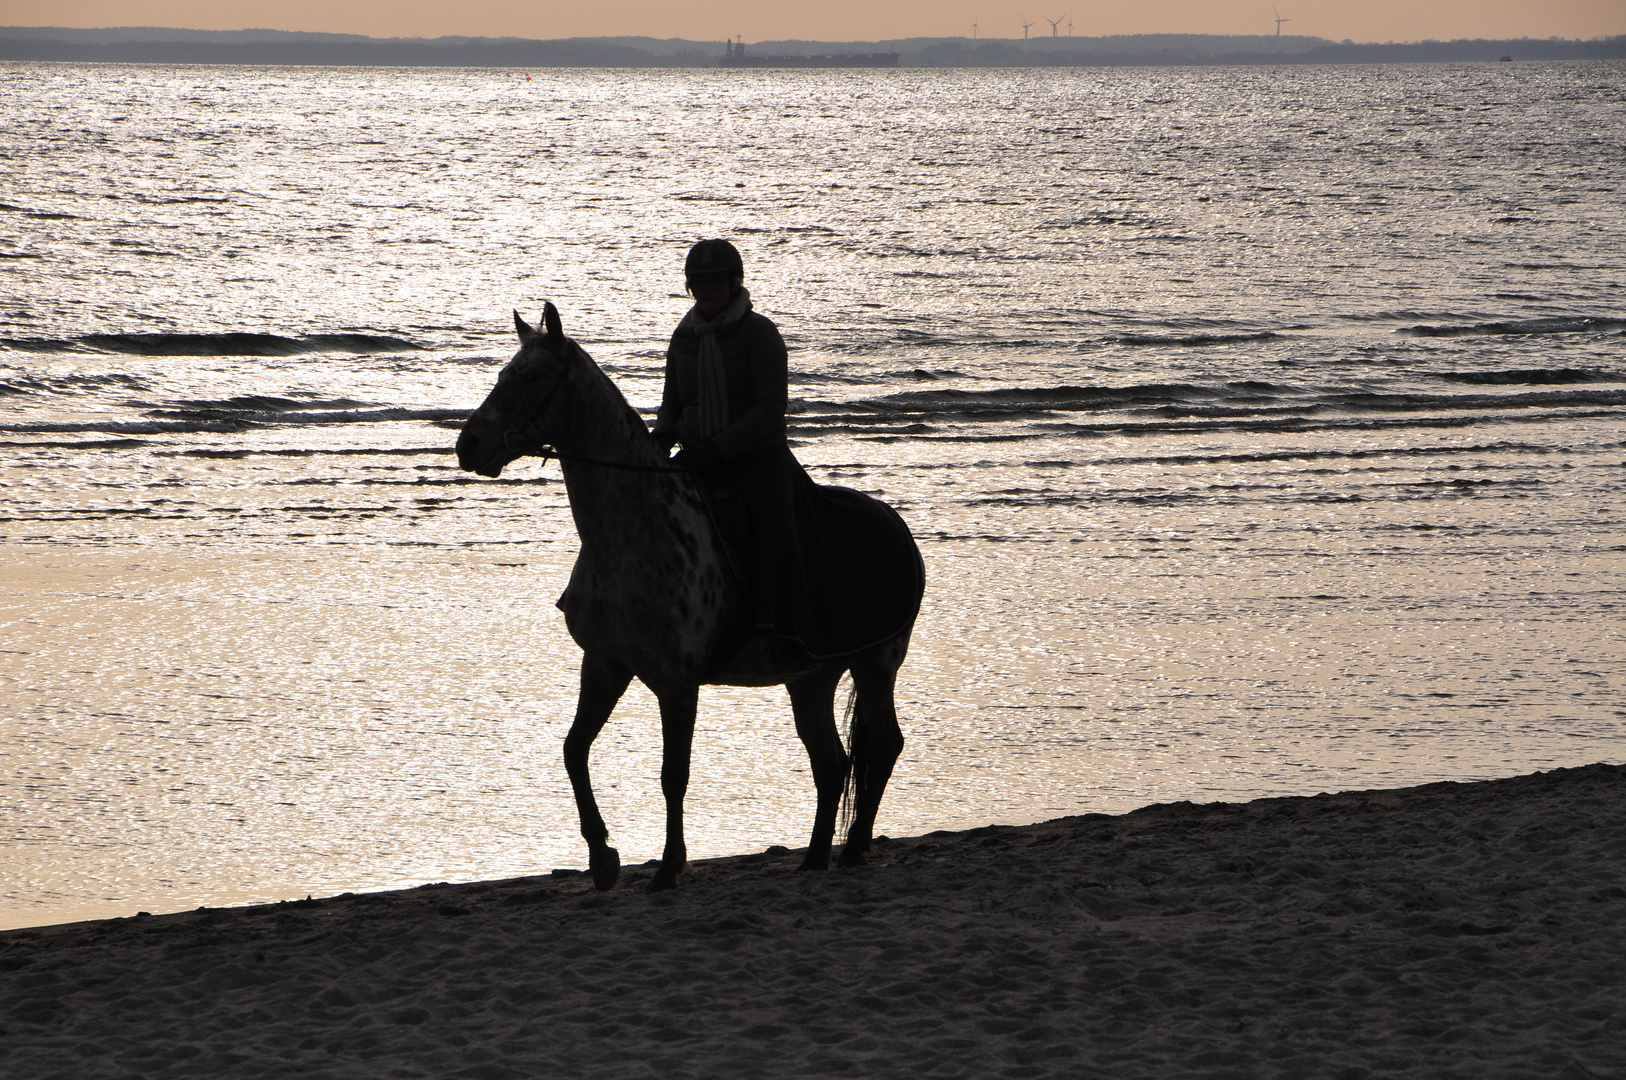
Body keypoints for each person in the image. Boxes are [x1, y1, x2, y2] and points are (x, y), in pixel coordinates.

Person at [652, 238, 810, 661]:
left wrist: (720, 449)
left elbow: (770, 408)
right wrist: (659, 441)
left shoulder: (760, 333)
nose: (709, 288)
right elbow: (672, 402)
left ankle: (777, 626)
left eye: (717, 279)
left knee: (774, 528)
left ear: (734, 282)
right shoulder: (683, 339)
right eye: (700, 281)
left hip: (758, 457)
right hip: (697, 454)